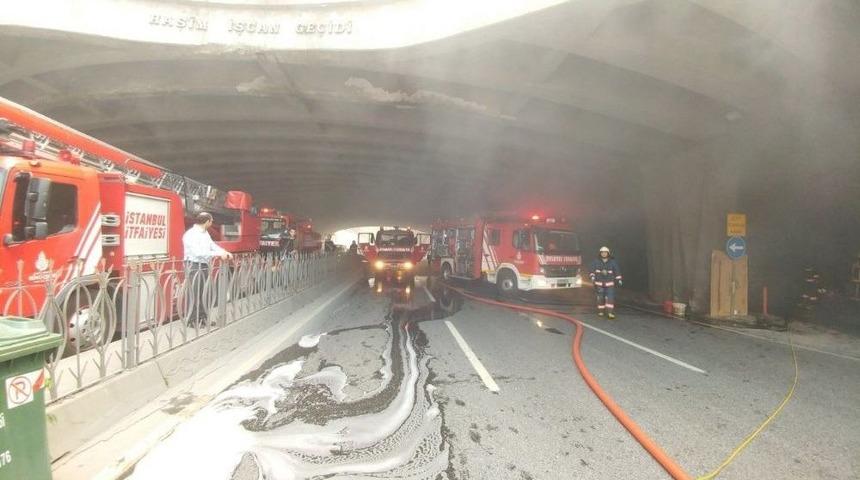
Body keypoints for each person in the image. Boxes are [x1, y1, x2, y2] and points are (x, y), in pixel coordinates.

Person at [183, 212, 232, 326]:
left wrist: (223, 252)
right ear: (207, 222)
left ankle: (203, 318)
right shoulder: (191, 234)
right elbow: (198, 252)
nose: (212, 223)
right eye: (211, 221)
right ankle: (193, 321)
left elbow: (212, 245)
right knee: (195, 293)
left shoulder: (205, 233)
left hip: (203, 265)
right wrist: (217, 254)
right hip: (194, 265)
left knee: (203, 292)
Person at [589, 246, 622, 319]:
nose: (604, 254)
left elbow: (617, 271)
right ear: (600, 253)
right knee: (600, 298)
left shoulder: (612, 262)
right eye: (602, 252)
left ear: (608, 253)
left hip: (609, 283)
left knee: (610, 298)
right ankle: (601, 311)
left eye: (605, 252)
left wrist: (619, 279)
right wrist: (592, 277)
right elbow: (592, 270)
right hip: (599, 284)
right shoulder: (596, 261)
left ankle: (610, 313)